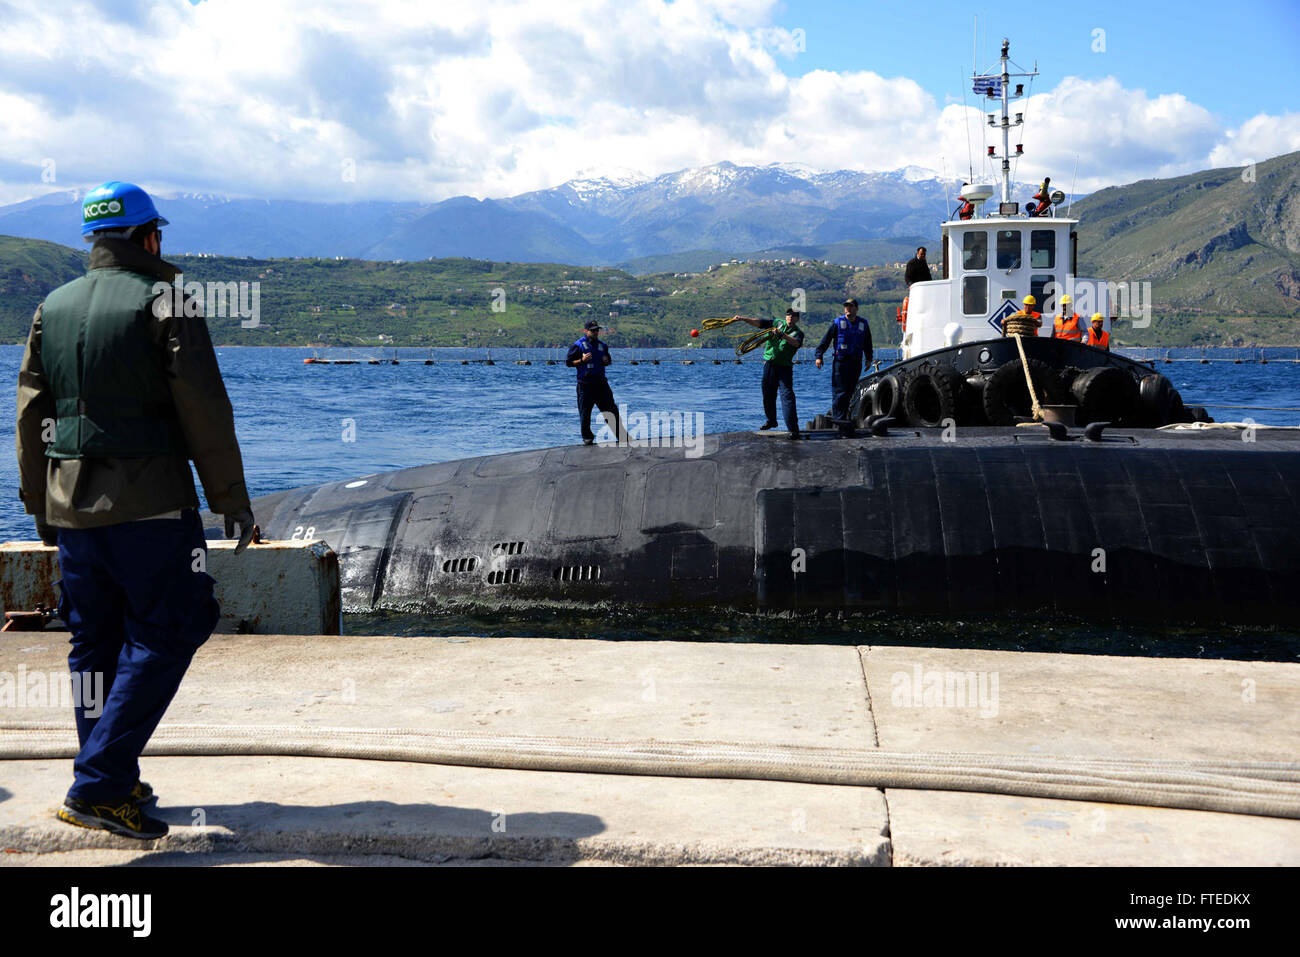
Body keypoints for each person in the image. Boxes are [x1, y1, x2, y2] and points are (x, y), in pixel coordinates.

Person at [15, 180, 255, 840]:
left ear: (97, 239)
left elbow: (30, 415)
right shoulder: (167, 301)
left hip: (72, 515)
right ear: (148, 237)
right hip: (151, 509)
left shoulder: (51, 307)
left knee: (94, 643)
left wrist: (41, 504)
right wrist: (230, 500)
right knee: (173, 625)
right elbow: (204, 409)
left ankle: (110, 778)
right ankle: (97, 781)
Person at [735, 308, 805, 439]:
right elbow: (759, 323)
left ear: (797, 319)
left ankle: (794, 430)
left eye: (794, 315)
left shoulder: (798, 332)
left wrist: (782, 335)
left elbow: (796, 343)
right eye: (788, 314)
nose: (790, 316)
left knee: (787, 397)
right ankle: (771, 420)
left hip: (785, 368)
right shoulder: (777, 323)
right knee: (768, 394)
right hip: (770, 365)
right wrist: (743, 319)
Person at [814, 298, 873, 421]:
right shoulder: (837, 323)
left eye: (851, 307)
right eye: (846, 307)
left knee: (850, 391)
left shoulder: (863, 324)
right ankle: (839, 420)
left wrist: (869, 358)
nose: (848, 309)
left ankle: (845, 417)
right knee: (839, 392)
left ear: (856, 309)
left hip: (856, 363)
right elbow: (826, 340)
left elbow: (868, 343)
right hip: (841, 363)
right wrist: (819, 356)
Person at [566, 320, 620, 445]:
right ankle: (587, 438)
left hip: (601, 384)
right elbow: (569, 363)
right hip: (585, 385)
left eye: (597, 330)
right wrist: (582, 360)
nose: (596, 332)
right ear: (586, 331)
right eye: (593, 330)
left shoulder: (602, 345)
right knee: (585, 413)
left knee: (611, 410)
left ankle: (621, 435)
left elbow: (608, 361)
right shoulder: (578, 345)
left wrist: (607, 361)